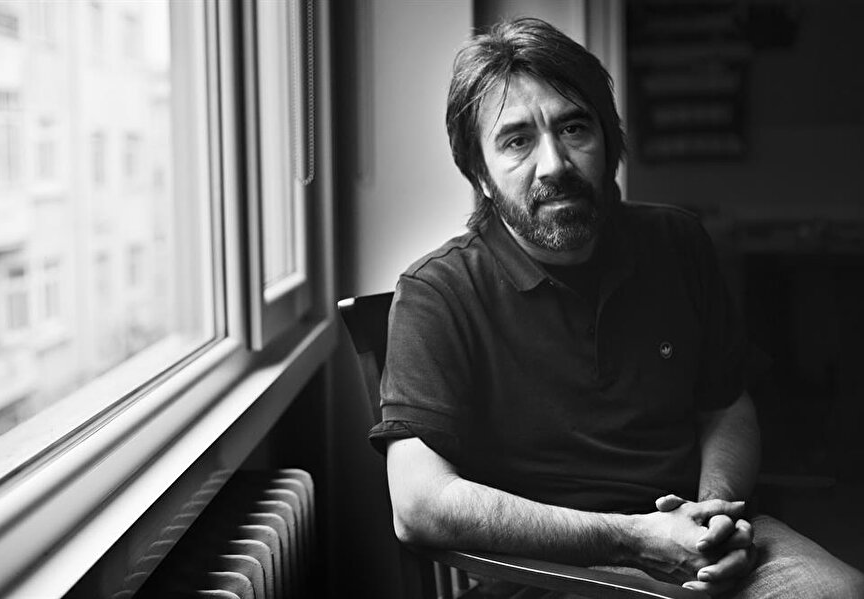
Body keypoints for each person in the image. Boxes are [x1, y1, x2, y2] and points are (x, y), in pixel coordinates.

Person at [368, 17, 864, 598]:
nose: (554, 164)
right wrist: (634, 539)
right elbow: (418, 505)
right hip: (549, 571)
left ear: (608, 141)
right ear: (479, 172)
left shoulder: (678, 243)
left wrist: (711, 517)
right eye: (517, 141)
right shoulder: (437, 292)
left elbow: (726, 404)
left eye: (574, 128)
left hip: (701, 542)